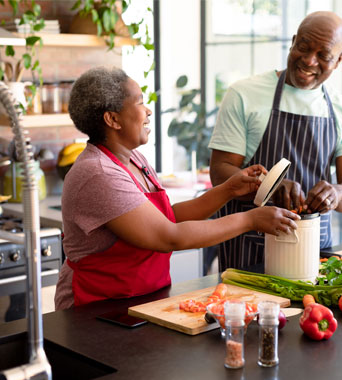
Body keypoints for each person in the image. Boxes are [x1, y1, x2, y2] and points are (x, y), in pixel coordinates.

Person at [54, 66, 300, 310]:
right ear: (112, 119)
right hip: (96, 308)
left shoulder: (134, 159)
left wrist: (228, 190)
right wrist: (251, 220)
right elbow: (168, 236)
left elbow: (167, 218)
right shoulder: (99, 173)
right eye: (140, 103)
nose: (148, 111)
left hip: (142, 299)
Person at [209, 11, 342, 271]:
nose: (309, 60)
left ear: (338, 60)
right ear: (293, 42)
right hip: (248, 250)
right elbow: (220, 171)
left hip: (315, 249)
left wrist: (336, 193)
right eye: (303, 47)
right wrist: (269, 185)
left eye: (323, 56)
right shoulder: (244, 94)